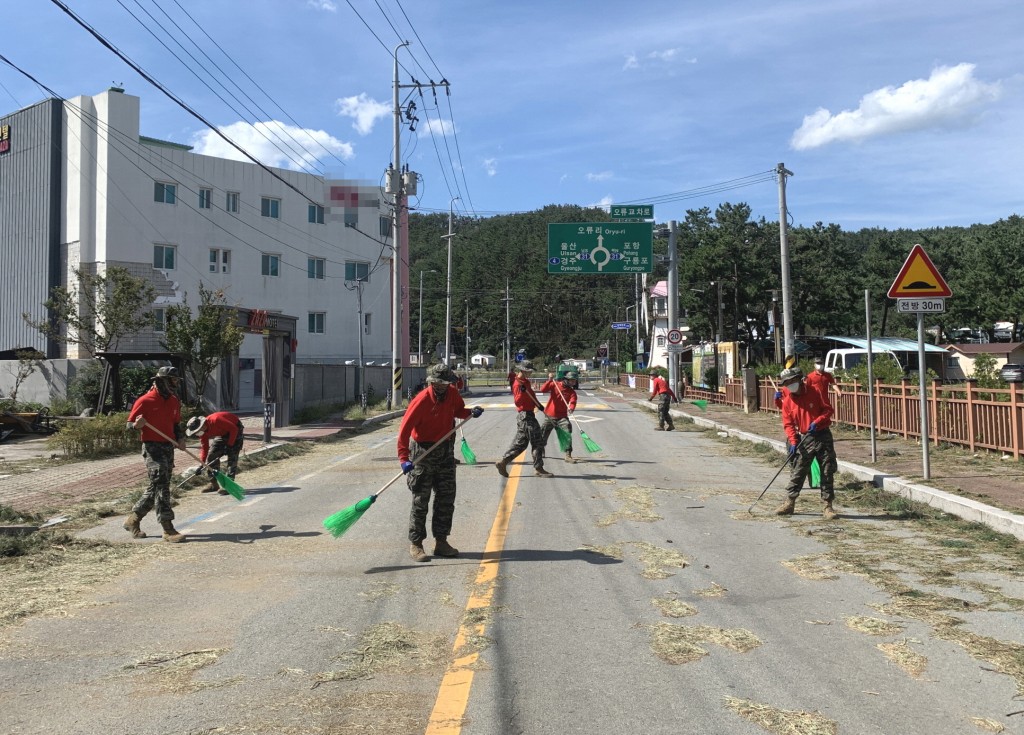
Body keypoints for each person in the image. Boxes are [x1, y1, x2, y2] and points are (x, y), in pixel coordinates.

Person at [397, 363, 481, 562]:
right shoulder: (421, 400)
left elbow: (459, 410)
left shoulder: (452, 393)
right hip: (423, 451)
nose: (443, 386)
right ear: (432, 382)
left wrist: (471, 412)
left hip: (445, 450)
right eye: (439, 382)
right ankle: (416, 544)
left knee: (446, 497)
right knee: (421, 500)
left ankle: (441, 541)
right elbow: (404, 430)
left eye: (446, 382)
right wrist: (404, 459)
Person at [123, 366, 186, 543]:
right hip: (152, 449)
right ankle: (168, 529)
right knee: (162, 487)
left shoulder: (174, 401)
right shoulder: (145, 401)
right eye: (172, 380)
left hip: (168, 447)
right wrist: (137, 425)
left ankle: (132, 520)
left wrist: (180, 438)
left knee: (156, 488)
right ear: (162, 381)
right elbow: (129, 426)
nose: (175, 384)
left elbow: (175, 424)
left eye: (176, 381)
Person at [776, 366, 839, 520]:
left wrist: (817, 422)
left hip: (822, 434)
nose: (789, 384)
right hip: (805, 438)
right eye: (786, 382)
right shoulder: (788, 401)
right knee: (798, 470)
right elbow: (788, 424)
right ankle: (790, 502)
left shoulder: (815, 392)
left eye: (791, 381)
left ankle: (827, 505)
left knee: (827, 470)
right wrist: (793, 440)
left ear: (799, 379)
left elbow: (828, 410)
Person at [496, 360, 553, 478]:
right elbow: (517, 402)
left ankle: (503, 462)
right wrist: (521, 393)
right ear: (522, 370)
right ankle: (539, 468)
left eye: (531, 371)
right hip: (525, 416)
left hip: (529, 414)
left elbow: (532, 396)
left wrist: (539, 405)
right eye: (529, 371)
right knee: (538, 441)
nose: (530, 373)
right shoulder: (517, 383)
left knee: (521, 444)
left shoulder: (525, 382)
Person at [185, 411, 245, 494]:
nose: (197, 433)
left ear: (202, 425)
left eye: (197, 430)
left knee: (232, 457)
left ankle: (229, 486)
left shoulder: (216, 420)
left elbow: (233, 429)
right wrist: (201, 464)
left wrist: (229, 445)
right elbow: (204, 447)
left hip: (235, 429)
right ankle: (214, 484)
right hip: (222, 433)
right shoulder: (202, 432)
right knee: (211, 457)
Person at [538, 369, 579, 463]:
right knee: (543, 434)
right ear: (566, 380)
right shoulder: (555, 384)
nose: (573, 382)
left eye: (574, 380)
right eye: (572, 380)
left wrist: (571, 408)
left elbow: (573, 402)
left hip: (562, 417)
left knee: (567, 431)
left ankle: (568, 455)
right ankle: (541, 450)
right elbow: (543, 389)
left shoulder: (572, 392)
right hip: (550, 415)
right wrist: (549, 379)